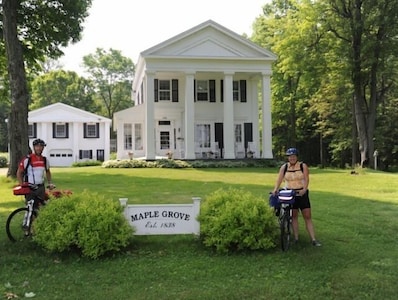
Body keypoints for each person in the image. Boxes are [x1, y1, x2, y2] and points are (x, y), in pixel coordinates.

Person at [272, 147, 321, 247]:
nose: (292, 158)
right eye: (290, 156)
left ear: (297, 157)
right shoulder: (284, 167)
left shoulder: (303, 166)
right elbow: (280, 179)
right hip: (290, 194)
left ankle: (313, 239)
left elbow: (307, 179)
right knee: (294, 216)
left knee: (307, 216)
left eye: (293, 156)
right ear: (288, 158)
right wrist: (276, 188)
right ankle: (296, 238)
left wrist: (304, 189)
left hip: (302, 193)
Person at [16, 138, 55, 203]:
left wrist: (50, 183)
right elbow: (19, 172)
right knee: (30, 206)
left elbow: (47, 171)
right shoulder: (27, 159)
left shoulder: (45, 160)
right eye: (37, 146)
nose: (39, 148)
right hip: (29, 188)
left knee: (40, 208)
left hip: (40, 187)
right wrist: (22, 185)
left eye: (41, 146)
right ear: (34, 147)